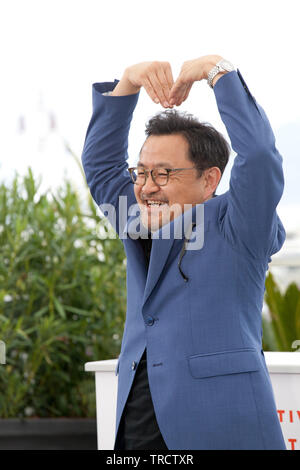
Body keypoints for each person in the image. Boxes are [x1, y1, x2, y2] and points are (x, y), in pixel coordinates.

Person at [81, 55, 287, 450]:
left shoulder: (239, 225)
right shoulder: (137, 216)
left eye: (163, 173)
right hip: (137, 426)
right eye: (141, 172)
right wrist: (128, 82)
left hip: (218, 427)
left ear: (209, 180)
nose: (146, 186)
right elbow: (101, 165)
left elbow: (259, 156)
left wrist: (215, 71)